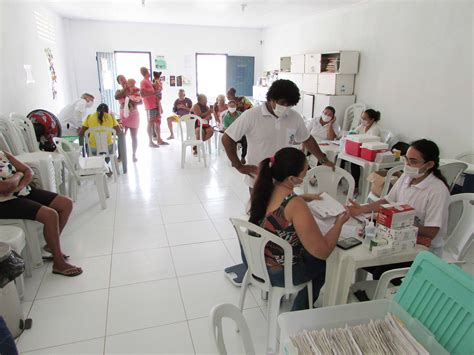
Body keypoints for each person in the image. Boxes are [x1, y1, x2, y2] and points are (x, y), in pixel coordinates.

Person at [221, 79, 334, 285]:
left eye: (290, 104)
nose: (285, 107)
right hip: (259, 180)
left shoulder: (294, 118)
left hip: (284, 180)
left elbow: (306, 139)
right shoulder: (252, 115)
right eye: (282, 102)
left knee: (282, 225)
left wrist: (323, 158)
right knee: (259, 222)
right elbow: (227, 138)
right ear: (271, 99)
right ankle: (257, 266)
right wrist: (238, 165)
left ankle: (279, 263)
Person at [249, 147, 350, 310]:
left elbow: (279, 210)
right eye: (304, 172)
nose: (306, 175)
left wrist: (302, 197)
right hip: (277, 273)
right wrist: (339, 222)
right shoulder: (295, 205)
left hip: (257, 263)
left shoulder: (266, 189)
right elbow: (323, 251)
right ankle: (300, 310)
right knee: (322, 262)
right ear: (291, 179)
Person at [348, 139, 450, 277]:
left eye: (413, 161)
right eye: (406, 159)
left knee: (380, 270)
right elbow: (387, 201)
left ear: (429, 164)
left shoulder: (437, 191)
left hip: (421, 251)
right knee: (362, 250)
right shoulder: (406, 177)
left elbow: (432, 232)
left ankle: (382, 294)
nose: (407, 165)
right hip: (398, 238)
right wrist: (362, 209)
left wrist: (396, 223)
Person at [0, 150, 81, 277]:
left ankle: (50, 245)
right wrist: (18, 174)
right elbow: (5, 187)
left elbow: (29, 170)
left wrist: (21, 182)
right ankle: (58, 263)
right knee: (50, 215)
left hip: (22, 190)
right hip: (4, 202)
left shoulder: (2, 153)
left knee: (66, 203)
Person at [350, 108, 383, 193]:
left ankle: (356, 187)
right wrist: (352, 133)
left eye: (365, 119)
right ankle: (349, 182)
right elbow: (353, 132)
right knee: (350, 160)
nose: (362, 120)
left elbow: (370, 141)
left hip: (373, 153)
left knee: (354, 163)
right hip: (362, 150)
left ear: (372, 120)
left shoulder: (375, 129)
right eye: (362, 118)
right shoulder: (363, 126)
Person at [114, 76, 141, 162]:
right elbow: (117, 97)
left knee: (134, 136)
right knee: (121, 136)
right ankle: (120, 156)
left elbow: (140, 102)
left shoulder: (134, 90)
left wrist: (132, 100)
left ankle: (134, 155)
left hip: (134, 115)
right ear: (119, 82)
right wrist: (126, 89)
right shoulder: (119, 91)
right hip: (124, 117)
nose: (123, 80)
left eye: (124, 78)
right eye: (121, 79)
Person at [140, 67, 167, 147]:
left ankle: (159, 139)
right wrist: (154, 93)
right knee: (150, 123)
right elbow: (142, 94)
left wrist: (156, 91)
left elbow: (155, 91)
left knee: (158, 122)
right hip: (150, 106)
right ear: (145, 72)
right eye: (148, 71)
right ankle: (150, 142)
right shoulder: (143, 81)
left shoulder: (149, 81)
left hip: (155, 104)